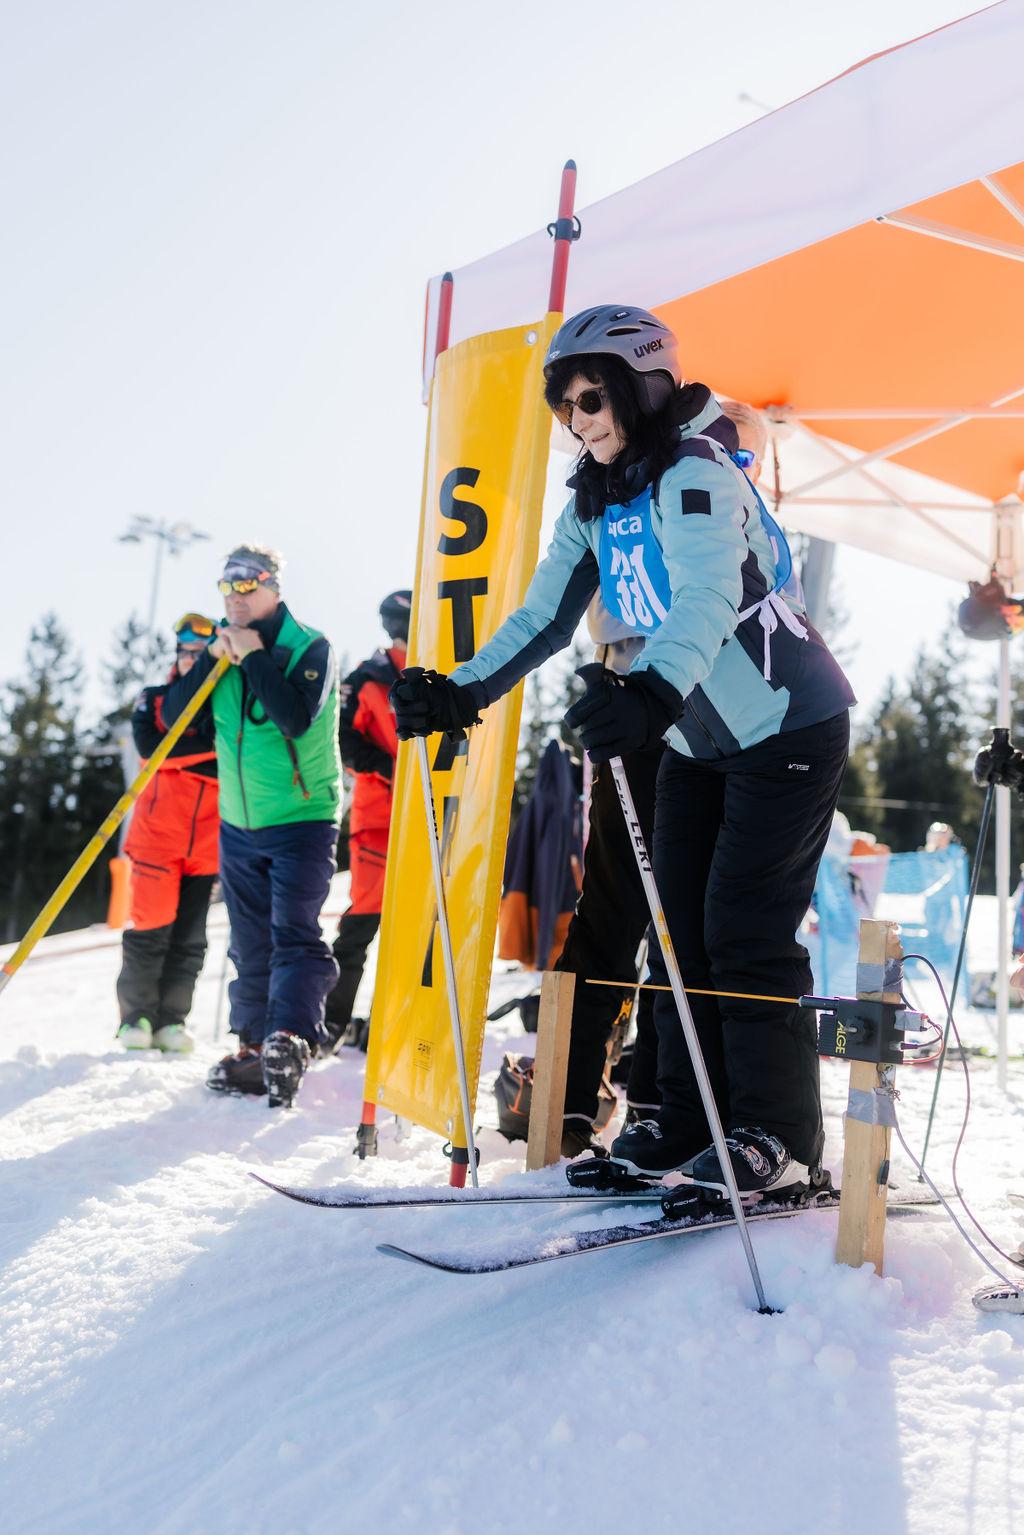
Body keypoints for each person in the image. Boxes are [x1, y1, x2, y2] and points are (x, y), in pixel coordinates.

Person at [392, 305, 854, 1197]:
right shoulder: (598, 498)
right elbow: (543, 617)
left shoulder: (697, 470)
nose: (579, 420)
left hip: (786, 726)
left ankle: (779, 1135)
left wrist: (648, 692)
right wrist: (461, 692)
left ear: (640, 387)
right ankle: (682, 1115)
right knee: (677, 935)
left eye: (592, 398)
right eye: (564, 406)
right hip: (695, 737)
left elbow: (707, 597)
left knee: (743, 929)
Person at [162, 545, 341, 1107]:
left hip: (302, 818)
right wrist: (212, 660)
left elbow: (295, 717)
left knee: (293, 933)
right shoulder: (220, 651)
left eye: (247, 583)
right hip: (239, 823)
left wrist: (256, 657)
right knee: (248, 940)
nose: (234, 596)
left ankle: (290, 1038)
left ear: (273, 587)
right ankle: (254, 1045)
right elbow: (173, 718)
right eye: (226, 585)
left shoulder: (309, 646)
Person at [115, 613, 220, 1053]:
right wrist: (207, 750)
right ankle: (136, 1017)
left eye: (200, 654)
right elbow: (152, 750)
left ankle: (172, 1021)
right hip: (158, 837)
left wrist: (182, 755)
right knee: (150, 929)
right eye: (185, 653)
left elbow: (228, 758)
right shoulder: (155, 698)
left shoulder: (223, 706)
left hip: (208, 842)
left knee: (190, 939)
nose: (191, 660)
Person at [323, 590, 410, 1052]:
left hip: (431, 820)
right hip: (379, 818)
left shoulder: (446, 670)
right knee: (362, 922)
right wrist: (387, 767)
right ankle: (330, 1024)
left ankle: (387, 1026)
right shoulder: (368, 678)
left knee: (413, 931)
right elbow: (342, 738)